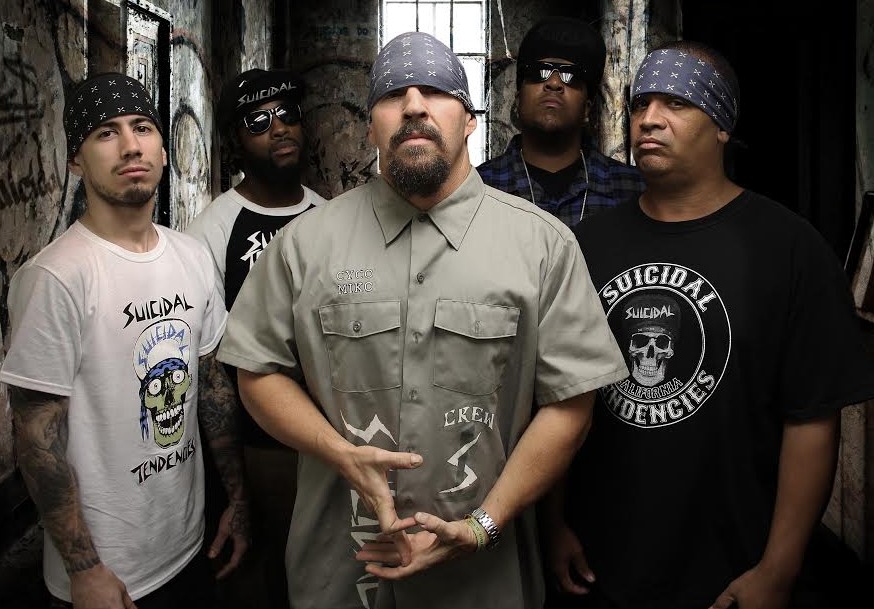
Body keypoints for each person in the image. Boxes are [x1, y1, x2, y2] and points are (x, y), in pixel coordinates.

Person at [216, 31, 629, 609]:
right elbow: (257, 373)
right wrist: (339, 453)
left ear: (470, 121)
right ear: (371, 127)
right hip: (340, 574)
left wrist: (485, 524)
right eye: (392, 94)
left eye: (436, 91)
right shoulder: (304, 245)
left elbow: (570, 406)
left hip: (482, 583)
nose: (413, 105)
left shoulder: (542, 246)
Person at [544, 41, 874, 609]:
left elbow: (812, 421)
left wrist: (779, 568)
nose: (649, 119)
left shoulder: (790, 250)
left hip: (731, 572)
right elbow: (556, 397)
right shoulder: (585, 247)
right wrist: (552, 524)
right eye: (640, 103)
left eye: (676, 103)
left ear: (722, 125)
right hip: (600, 567)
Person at [0, 72, 250, 609]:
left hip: (189, 544)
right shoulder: (56, 277)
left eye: (142, 127)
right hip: (109, 574)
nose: (131, 145)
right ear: (76, 160)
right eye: (105, 133)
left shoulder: (192, 257)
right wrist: (84, 570)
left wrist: (236, 499)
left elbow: (211, 391)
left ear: (162, 149)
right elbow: (37, 438)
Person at [185, 67, 325, 609]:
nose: (279, 128)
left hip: (327, 434)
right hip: (253, 443)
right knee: (257, 575)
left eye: (287, 114)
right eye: (259, 122)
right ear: (235, 142)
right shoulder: (212, 231)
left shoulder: (328, 216)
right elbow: (209, 364)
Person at [477, 16, 644, 227]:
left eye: (571, 76)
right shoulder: (478, 188)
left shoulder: (635, 189)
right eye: (540, 72)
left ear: (587, 108)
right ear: (517, 101)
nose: (554, 83)